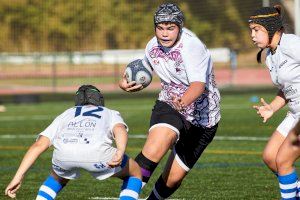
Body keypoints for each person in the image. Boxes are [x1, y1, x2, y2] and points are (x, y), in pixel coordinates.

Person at [119, 3, 220, 199]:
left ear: (180, 27)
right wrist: (125, 83)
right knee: (154, 149)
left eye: (170, 28)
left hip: (204, 117)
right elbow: (142, 69)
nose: (164, 33)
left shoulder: (192, 47)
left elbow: (198, 85)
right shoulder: (152, 46)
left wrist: (184, 101)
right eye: (160, 28)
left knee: (172, 180)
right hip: (170, 105)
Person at [5, 85, 142, 200]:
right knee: (135, 173)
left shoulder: (67, 113)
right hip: (97, 154)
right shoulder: (109, 112)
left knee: (58, 177)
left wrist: (18, 176)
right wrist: (120, 150)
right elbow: (119, 129)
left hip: (64, 156)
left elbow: (39, 145)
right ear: (99, 99)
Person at [249, 5, 300, 199]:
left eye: (256, 30)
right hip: (294, 114)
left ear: (271, 28)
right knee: (271, 157)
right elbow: (288, 87)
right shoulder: (270, 54)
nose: (252, 35)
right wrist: (272, 107)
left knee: (284, 160)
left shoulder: (292, 44)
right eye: (251, 30)